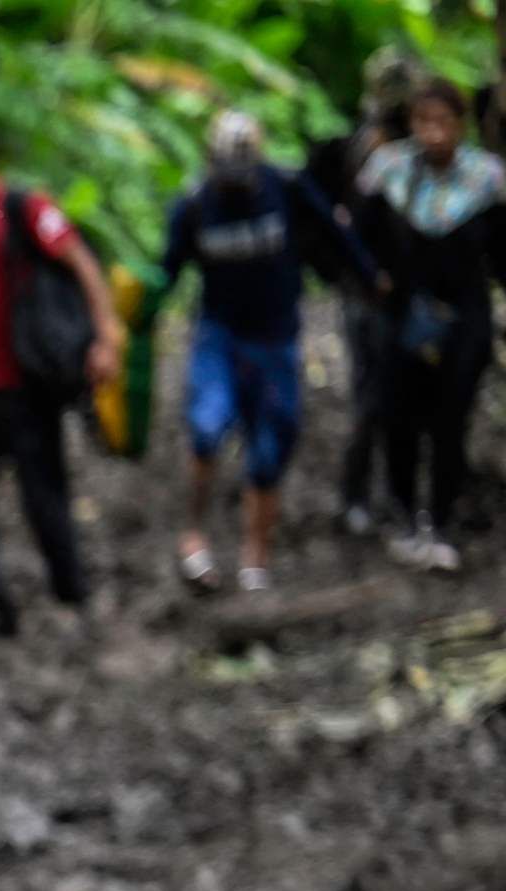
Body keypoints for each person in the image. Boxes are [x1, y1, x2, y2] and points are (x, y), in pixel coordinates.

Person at [158, 109, 380, 591]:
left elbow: (335, 235)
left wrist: (371, 279)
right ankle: (194, 535)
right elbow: (166, 271)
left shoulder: (287, 188)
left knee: (269, 446)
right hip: (220, 336)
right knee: (206, 428)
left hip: (276, 340)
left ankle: (255, 555)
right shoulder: (195, 205)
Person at [0, 118, 122, 640]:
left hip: (26, 382)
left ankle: (71, 593)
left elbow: (81, 262)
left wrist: (106, 335)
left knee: (44, 497)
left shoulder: (24, 209)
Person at [362, 78, 505, 573]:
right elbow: (360, 240)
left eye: (443, 122)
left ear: (460, 126)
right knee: (398, 416)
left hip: (464, 313)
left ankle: (441, 522)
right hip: (402, 313)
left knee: (451, 419)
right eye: (424, 122)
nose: (433, 134)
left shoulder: (486, 181)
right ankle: (405, 516)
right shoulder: (389, 173)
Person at [312, 51, 429, 534]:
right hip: (370, 295)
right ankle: (358, 498)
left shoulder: (406, 144)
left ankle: (389, 497)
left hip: (396, 292)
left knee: (401, 397)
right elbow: (352, 227)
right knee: (373, 398)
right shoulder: (374, 148)